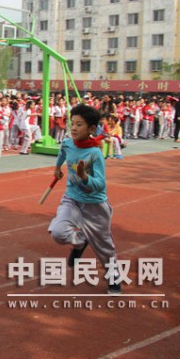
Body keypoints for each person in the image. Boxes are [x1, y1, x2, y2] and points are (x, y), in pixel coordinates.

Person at [48, 104, 121, 295]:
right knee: (58, 232)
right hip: (72, 200)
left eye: (79, 125)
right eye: (72, 123)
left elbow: (100, 184)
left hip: (95, 205)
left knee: (104, 247)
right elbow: (63, 151)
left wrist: (83, 176)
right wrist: (57, 167)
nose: (73, 128)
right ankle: (80, 241)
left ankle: (114, 279)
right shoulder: (68, 142)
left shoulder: (95, 153)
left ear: (91, 129)